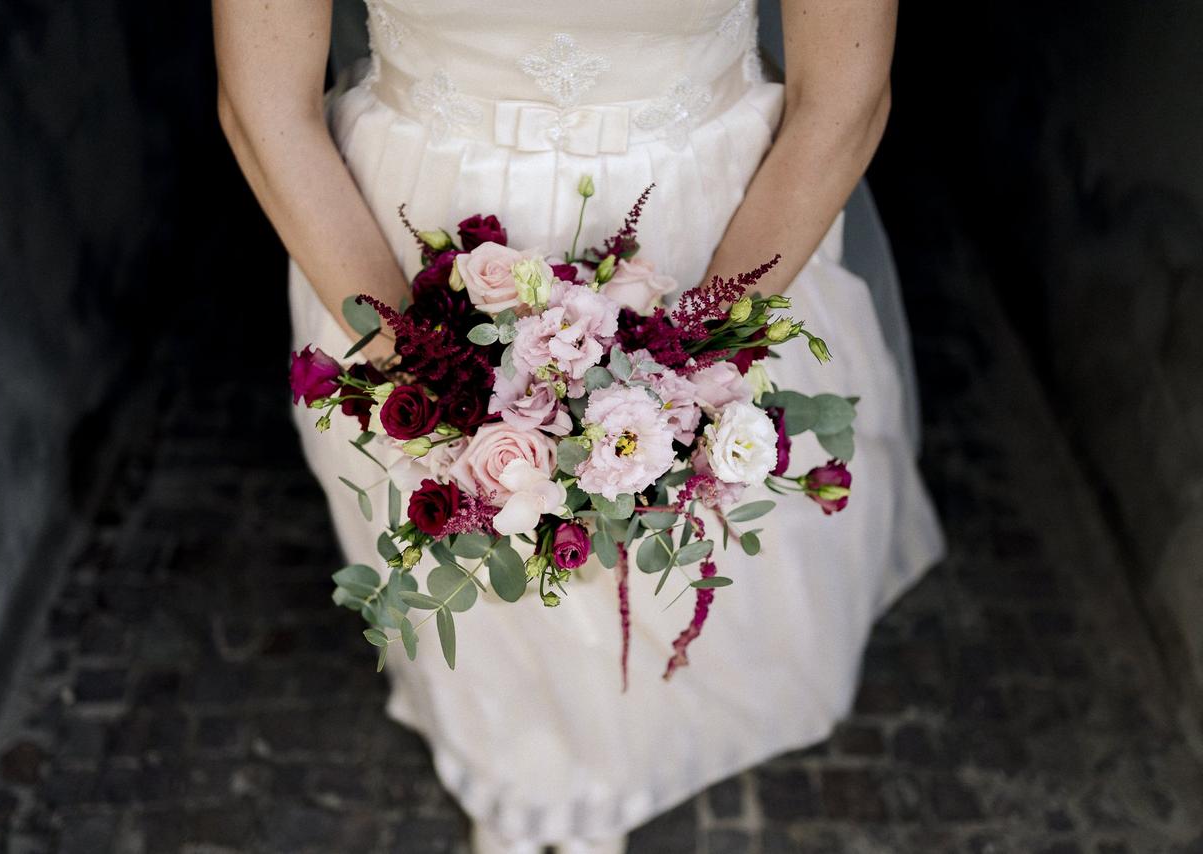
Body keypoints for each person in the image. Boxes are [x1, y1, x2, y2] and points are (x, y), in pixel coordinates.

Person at [213, 2, 944, 851]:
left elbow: (844, 96)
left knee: (693, 549)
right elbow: (263, 105)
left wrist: (699, 356)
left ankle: (624, 759)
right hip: (400, 244)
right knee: (468, 558)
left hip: (713, 228)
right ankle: (520, 784)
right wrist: (415, 365)